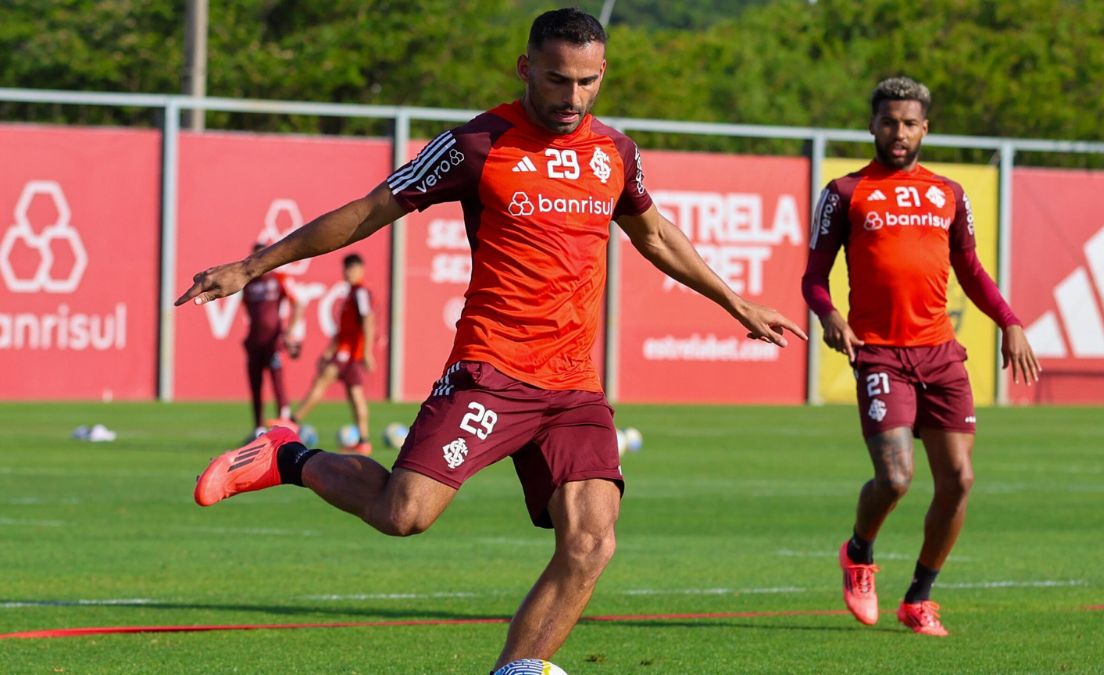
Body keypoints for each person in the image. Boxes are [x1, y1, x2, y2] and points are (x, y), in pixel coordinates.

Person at [176, 8, 804, 669]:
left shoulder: (616, 153)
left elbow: (653, 233)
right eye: (559, 80)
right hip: (492, 370)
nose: (573, 98)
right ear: (526, 67)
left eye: (588, 82)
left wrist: (734, 301)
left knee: (591, 542)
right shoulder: (477, 143)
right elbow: (369, 209)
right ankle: (288, 456)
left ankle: (517, 669)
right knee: (404, 513)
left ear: (603, 72)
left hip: (573, 387)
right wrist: (252, 266)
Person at [803, 76, 1041, 636]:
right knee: (895, 478)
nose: (899, 132)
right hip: (881, 354)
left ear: (925, 128)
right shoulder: (845, 192)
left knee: (958, 480)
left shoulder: (948, 194)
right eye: (889, 122)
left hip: (940, 356)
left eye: (910, 123)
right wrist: (830, 316)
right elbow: (814, 275)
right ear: (872, 125)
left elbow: (972, 271)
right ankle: (859, 554)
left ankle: (919, 597)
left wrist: (1009, 321)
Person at [290, 253, 376, 455]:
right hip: (344, 351)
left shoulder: (361, 292)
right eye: (346, 268)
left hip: (350, 353)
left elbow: (368, 322)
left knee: (323, 381)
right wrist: (329, 350)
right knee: (355, 395)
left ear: (360, 270)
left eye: (352, 268)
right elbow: (344, 329)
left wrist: (367, 353)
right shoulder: (352, 293)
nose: (348, 272)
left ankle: (292, 423)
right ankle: (363, 441)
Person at [240, 242, 303, 437]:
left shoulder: (279, 279)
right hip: (254, 341)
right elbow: (249, 311)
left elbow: (298, 303)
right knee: (255, 383)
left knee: (277, 380)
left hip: (273, 341)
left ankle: (285, 425)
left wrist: (290, 332)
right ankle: (258, 427)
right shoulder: (248, 284)